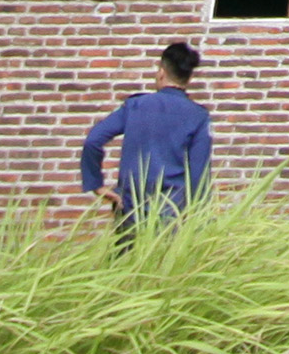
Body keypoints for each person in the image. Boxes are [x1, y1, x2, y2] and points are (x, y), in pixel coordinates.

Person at [79, 42, 213, 240]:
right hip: (172, 215)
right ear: (189, 78)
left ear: (161, 72)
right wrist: (199, 222)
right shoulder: (198, 116)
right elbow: (198, 176)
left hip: (130, 210)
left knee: (125, 268)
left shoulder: (135, 106)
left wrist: (96, 184)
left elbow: (93, 141)